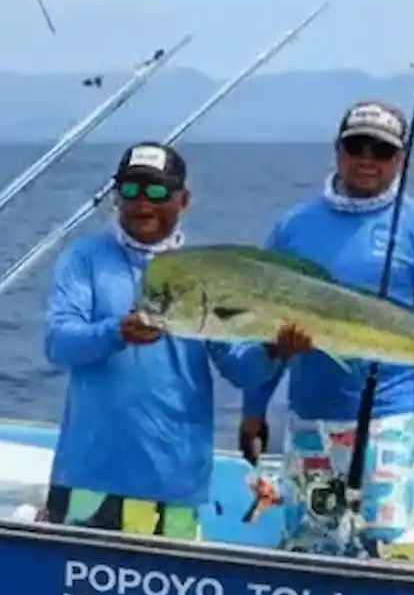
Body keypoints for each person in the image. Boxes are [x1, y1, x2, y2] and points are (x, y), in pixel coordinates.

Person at [235, 99, 414, 553]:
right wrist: (254, 409)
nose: (367, 158)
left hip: (391, 422)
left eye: (381, 151)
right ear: (337, 150)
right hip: (309, 420)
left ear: (400, 160)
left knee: (384, 550)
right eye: (356, 145)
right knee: (312, 548)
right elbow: (260, 325)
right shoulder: (292, 228)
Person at [40, 141, 273, 540]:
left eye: (157, 191)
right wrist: (116, 332)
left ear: (184, 200)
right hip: (89, 479)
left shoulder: (206, 273)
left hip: (175, 484)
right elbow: (59, 343)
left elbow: (242, 369)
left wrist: (277, 349)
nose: (141, 203)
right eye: (129, 190)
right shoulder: (85, 258)